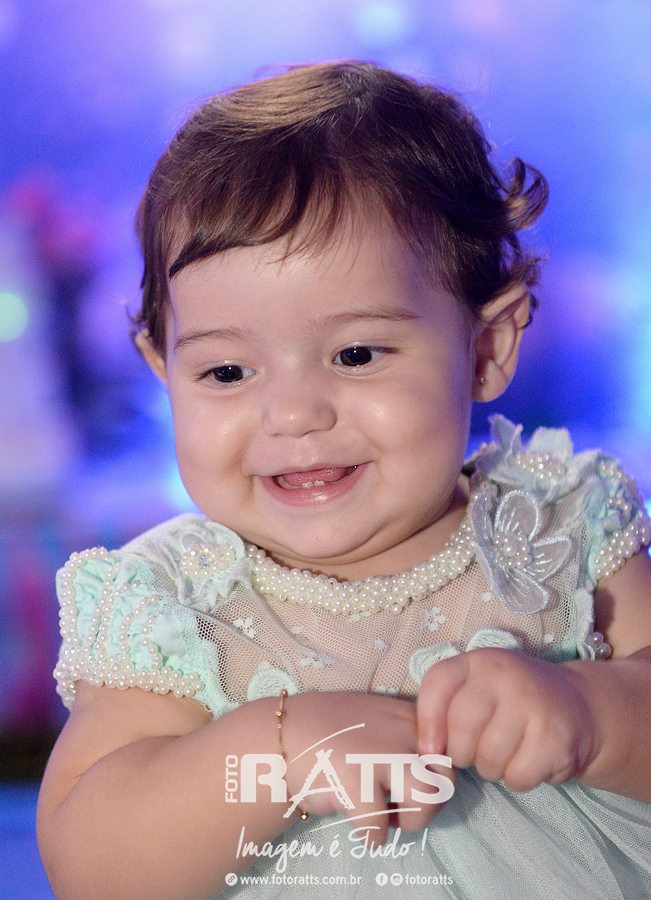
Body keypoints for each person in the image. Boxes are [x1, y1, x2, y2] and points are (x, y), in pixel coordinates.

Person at [37, 61, 651, 899]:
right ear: (163, 370)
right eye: (226, 372)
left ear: (485, 348)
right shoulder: (178, 607)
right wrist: (274, 753)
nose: (292, 415)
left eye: (355, 354)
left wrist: (595, 713)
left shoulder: (554, 531)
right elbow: (94, 867)